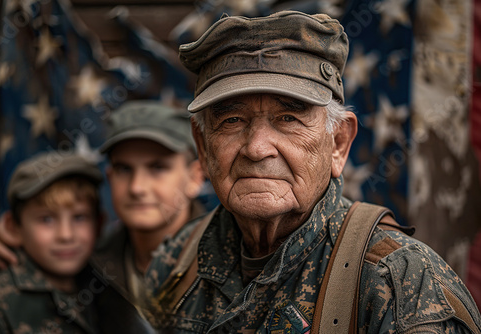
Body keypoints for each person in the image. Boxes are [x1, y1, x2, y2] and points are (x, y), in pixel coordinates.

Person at [144, 11, 481, 333]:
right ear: (202, 146)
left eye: (288, 118)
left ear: (338, 143)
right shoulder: (176, 263)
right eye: (232, 120)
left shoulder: (401, 286)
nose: (257, 148)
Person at [0, 101, 206, 309]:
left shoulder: (230, 253)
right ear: (110, 177)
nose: (137, 188)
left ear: (195, 178)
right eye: (124, 169)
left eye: (158, 168)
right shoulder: (89, 262)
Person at [0, 151, 103, 333]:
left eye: (79, 217)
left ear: (99, 224)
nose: (66, 235)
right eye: (46, 219)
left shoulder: (107, 283)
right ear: (13, 228)